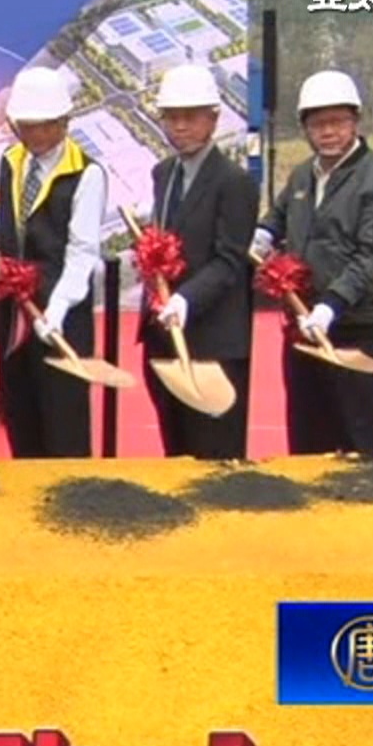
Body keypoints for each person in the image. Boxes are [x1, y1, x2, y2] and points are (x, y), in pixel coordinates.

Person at [253, 70, 373, 457]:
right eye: (317, 123)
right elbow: (280, 215)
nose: (328, 132)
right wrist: (263, 234)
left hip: (358, 328)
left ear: (355, 121)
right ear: (305, 127)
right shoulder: (303, 175)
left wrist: (332, 304)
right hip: (302, 324)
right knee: (309, 435)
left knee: (365, 436)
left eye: (337, 121)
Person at [136, 65, 258, 460]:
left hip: (212, 341)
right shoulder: (163, 173)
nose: (180, 126)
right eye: (171, 117)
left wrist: (185, 299)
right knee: (176, 451)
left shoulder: (234, 182)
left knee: (214, 455)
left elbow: (229, 259)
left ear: (213, 118)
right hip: (163, 337)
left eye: (191, 116)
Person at [0, 66, 105, 458]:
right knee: (21, 414)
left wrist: (56, 308)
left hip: (61, 317)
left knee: (63, 422)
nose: (35, 135)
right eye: (26, 126)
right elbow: (7, 215)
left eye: (44, 126)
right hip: (15, 315)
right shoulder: (11, 161)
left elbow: (82, 252)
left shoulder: (86, 174)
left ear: (64, 121)